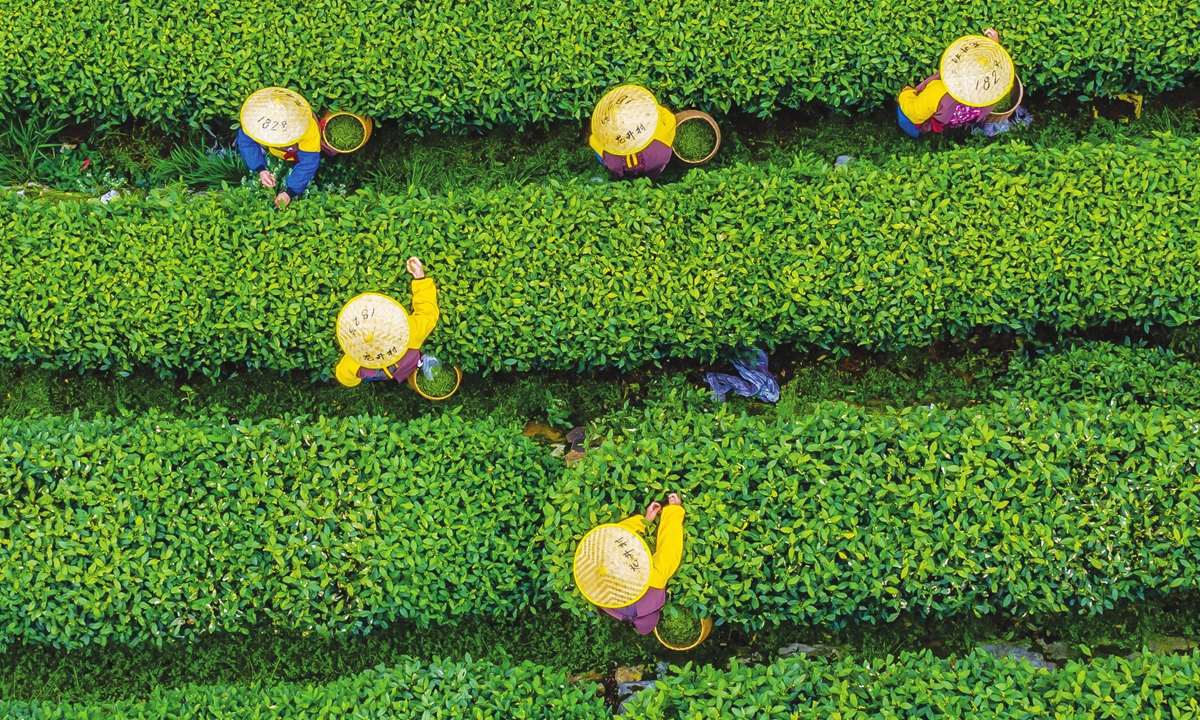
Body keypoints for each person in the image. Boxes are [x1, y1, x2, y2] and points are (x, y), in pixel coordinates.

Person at [575, 493, 686, 635]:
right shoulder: (604, 599)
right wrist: (645, 521)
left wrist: (673, 510)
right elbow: (615, 535)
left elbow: (670, 550)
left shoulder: (654, 584)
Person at [335, 257, 440, 387]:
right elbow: (428, 312)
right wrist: (420, 279)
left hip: (380, 375)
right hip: (409, 365)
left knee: (373, 377)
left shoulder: (352, 362)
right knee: (407, 367)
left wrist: (355, 380)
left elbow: (343, 376)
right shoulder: (412, 331)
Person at [897, 29, 1009, 138]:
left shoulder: (938, 91)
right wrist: (994, 46)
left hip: (940, 114)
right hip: (962, 117)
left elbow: (913, 112)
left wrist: (906, 93)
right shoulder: (993, 91)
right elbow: (996, 69)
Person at [237, 87, 330, 209]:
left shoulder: (307, 127)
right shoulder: (253, 120)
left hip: (296, 152)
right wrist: (260, 169)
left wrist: (290, 192)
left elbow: (308, 161)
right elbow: (246, 142)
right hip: (279, 152)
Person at [588, 85, 677, 181]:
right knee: (658, 164)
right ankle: (652, 178)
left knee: (599, 153)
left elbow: (593, 139)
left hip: (621, 168)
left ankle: (627, 179)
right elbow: (666, 115)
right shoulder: (662, 132)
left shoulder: (609, 152)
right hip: (657, 162)